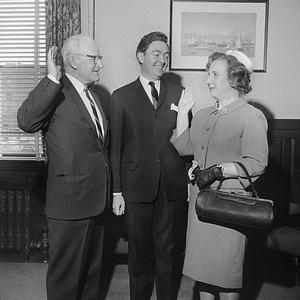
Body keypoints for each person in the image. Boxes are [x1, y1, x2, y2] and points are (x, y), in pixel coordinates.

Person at [17, 34, 110, 300]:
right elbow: (25, 121)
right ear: (73, 60)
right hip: (69, 205)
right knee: (65, 285)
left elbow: (100, 148)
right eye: (95, 59)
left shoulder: (95, 96)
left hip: (96, 202)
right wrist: (51, 79)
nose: (100, 65)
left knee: (91, 281)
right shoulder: (56, 90)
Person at [171, 51, 269, 300]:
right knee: (203, 277)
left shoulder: (251, 116)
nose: (208, 80)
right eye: (208, 73)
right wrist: (183, 112)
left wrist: (216, 171)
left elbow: (256, 163)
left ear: (234, 79)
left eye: (214, 74)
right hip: (200, 206)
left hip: (228, 208)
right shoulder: (204, 114)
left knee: (226, 280)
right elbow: (184, 147)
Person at [110, 31, 188, 300]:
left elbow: (186, 140)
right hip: (136, 188)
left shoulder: (179, 92)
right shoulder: (121, 97)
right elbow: (115, 148)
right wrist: (117, 192)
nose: (163, 60)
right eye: (157, 54)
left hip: (170, 186)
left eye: (166, 55)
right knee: (139, 254)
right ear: (140, 56)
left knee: (168, 252)